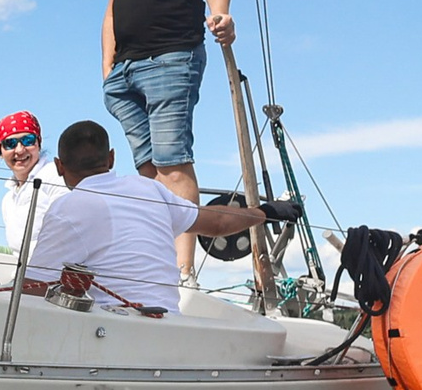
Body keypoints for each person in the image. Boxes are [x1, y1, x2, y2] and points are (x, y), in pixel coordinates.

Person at [102, 0, 233, 281]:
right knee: (146, 172)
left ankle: (181, 270)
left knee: (173, 163)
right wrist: (108, 68)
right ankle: (154, 260)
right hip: (124, 73)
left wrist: (220, 12)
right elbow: (113, 5)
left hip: (171, 56)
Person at [24, 122, 293, 316]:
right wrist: (266, 212)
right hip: (168, 324)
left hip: (114, 334)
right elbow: (218, 224)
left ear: (59, 166)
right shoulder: (148, 189)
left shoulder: (68, 207)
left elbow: (31, 288)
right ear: (111, 158)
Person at [0, 109, 63, 250]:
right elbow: (18, 255)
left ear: (39, 144)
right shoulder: (8, 200)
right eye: (10, 143)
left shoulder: (55, 176)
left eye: (27, 140)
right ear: (0, 152)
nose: (19, 150)